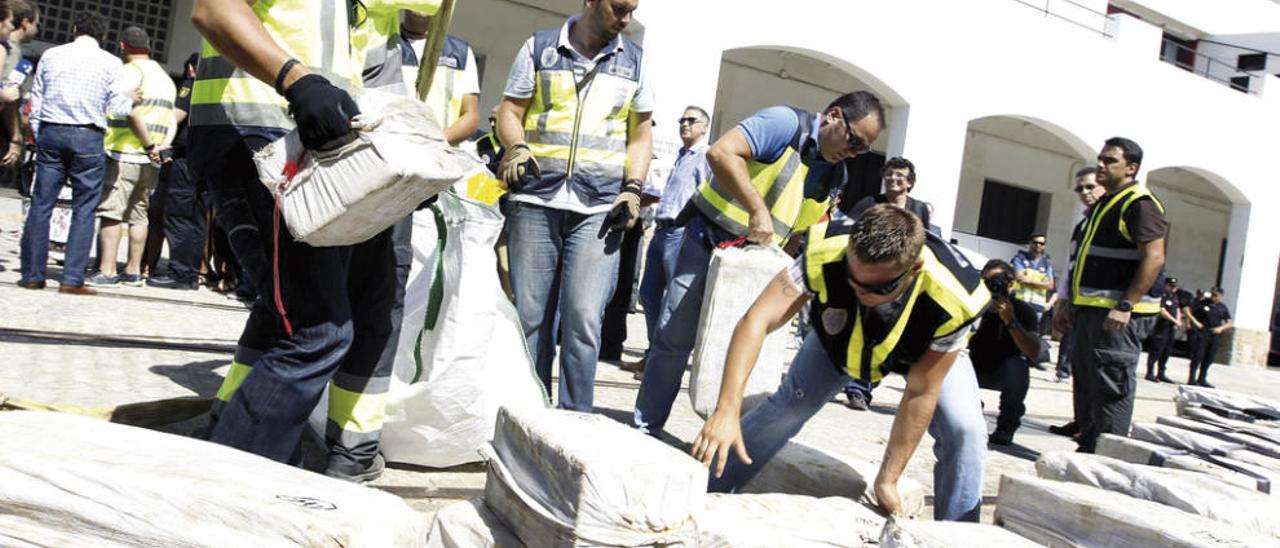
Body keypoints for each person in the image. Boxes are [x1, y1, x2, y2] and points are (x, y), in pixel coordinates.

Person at [189, 0, 440, 477]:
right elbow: (212, 9)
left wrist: (400, 165)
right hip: (258, 136)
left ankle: (256, 461)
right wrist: (295, 80)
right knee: (316, 332)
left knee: (292, 317)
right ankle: (228, 486)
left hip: (300, 145)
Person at [692, 204, 989, 521]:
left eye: (877, 287)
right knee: (791, 405)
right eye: (852, 279)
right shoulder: (828, 249)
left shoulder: (954, 297)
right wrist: (726, 410)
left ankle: (957, 533)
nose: (861, 291)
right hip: (844, 336)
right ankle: (699, 492)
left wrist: (888, 477)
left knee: (965, 429)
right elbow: (757, 320)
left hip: (922, 348)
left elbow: (921, 391)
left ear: (913, 269)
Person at [632, 91, 884, 436]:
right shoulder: (783, 124)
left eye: (862, 150)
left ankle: (717, 436)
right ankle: (647, 426)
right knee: (674, 338)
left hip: (754, 270)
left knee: (732, 350)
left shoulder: (835, 176)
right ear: (833, 116)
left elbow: (798, 233)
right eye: (853, 140)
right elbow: (721, 153)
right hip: (707, 242)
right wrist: (756, 209)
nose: (853, 153)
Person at [495, 0, 653, 412]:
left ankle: (575, 420)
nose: (626, 18)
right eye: (619, 8)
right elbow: (510, 111)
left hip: (601, 206)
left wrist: (633, 188)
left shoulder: (636, 63)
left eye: (632, 10)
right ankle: (524, 412)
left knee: (583, 319)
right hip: (535, 198)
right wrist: (517, 147)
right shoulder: (539, 49)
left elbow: (640, 136)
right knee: (529, 317)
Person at [1054, 137, 1168, 453]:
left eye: (1110, 161)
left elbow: (1155, 258)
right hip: (1090, 311)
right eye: (1100, 159)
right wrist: (1069, 304)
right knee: (1088, 387)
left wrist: (1126, 304)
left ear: (1131, 168)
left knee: (1110, 389)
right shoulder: (1104, 204)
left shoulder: (1139, 204)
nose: (1101, 165)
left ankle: (1107, 457)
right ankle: (1088, 450)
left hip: (1117, 317)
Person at [19, 11, 135, 295]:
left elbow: (38, 96)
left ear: (73, 29)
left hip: (51, 131)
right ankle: (71, 279)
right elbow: (119, 108)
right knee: (84, 209)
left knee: (41, 203)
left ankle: (33, 274)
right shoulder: (111, 62)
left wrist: (38, 129)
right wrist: (130, 99)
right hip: (87, 135)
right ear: (104, 36)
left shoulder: (51, 55)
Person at [621, 106, 712, 375]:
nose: (684, 124)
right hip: (662, 231)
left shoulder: (706, 157)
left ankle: (661, 363)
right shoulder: (682, 156)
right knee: (649, 296)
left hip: (681, 233)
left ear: (704, 127)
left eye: (691, 120)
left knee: (672, 301)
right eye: (681, 119)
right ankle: (653, 353)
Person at [86, 27, 177, 288]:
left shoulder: (130, 73)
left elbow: (132, 113)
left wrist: (148, 144)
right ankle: (134, 271)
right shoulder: (164, 77)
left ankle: (107, 269)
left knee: (112, 212)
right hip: (152, 159)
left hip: (126, 152)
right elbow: (171, 118)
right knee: (140, 215)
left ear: (123, 47)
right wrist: (162, 146)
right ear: (148, 47)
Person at [841, 156, 928, 410]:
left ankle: (864, 383)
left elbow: (924, 243)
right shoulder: (869, 204)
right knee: (867, 332)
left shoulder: (919, 209)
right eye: (889, 174)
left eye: (899, 176)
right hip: (869, 278)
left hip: (902, 283)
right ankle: (857, 388)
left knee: (889, 337)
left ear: (910, 182)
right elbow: (848, 232)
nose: (892, 179)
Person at [1048, 168, 1105, 438]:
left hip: (1103, 307)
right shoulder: (1082, 225)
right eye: (1080, 189)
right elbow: (1071, 268)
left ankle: (1095, 429)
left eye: (1090, 186)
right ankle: (1081, 420)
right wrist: (1064, 303)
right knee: (1079, 366)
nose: (1085, 193)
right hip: (1079, 305)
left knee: (1098, 371)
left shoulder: (1107, 219)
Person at [147, 54, 204, 290]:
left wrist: (163, 143)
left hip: (185, 159)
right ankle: (190, 273)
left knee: (179, 215)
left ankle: (179, 272)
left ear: (191, 68)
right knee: (198, 219)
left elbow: (175, 116)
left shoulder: (191, 86)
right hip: (205, 160)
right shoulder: (215, 93)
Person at [970, 260, 1040, 445]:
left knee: (1018, 366)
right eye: (987, 281)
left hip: (1003, 369)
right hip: (973, 366)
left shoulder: (1023, 311)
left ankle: (1006, 428)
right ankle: (970, 412)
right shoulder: (971, 304)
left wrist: (1011, 320)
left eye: (998, 281)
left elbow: (1034, 351)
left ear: (1010, 284)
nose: (993, 286)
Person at [398, 10, 479, 145]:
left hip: (440, 156)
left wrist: (436, 141)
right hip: (389, 152)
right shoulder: (384, 44)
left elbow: (471, 115)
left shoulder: (460, 52)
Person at [0, 0, 37, 168]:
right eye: (36, 23)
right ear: (25, 23)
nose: (37, 30)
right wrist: (15, 136)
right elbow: (9, 98)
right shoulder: (9, 50)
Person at [1185, 287, 1232, 388]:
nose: (1213, 297)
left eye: (1216, 295)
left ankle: (1202, 378)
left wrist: (1221, 328)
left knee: (1209, 357)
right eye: (1212, 294)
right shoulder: (1203, 303)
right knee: (1198, 356)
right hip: (1203, 332)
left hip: (1214, 334)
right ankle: (1191, 378)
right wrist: (1194, 322)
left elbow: (1229, 323)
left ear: (1221, 296)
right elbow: (1187, 310)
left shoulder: (1222, 307)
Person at [1011, 233, 1055, 331]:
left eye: (1041, 243)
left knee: (1031, 336)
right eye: (1035, 242)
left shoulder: (1047, 263)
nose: (1038, 245)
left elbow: (1050, 285)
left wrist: (1029, 281)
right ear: (1030, 243)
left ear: (1044, 246)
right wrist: (1041, 284)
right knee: (1015, 332)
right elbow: (1020, 279)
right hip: (1020, 303)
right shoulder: (1020, 259)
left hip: (1037, 307)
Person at [1143, 276, 1181, 383]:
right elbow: (1162, 310)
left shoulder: (1174, 296)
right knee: (1156, 350)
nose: (1173, 288)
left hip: (1170, 328)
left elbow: (1177, 308)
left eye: (1174, 286)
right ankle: (1150, 372)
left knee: (1167, 351)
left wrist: (1178, 320)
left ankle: (1161, 373)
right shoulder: (1161, 295)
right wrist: (1175, 321)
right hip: (1161, 328)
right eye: (1171, 286)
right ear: (1166, 285)